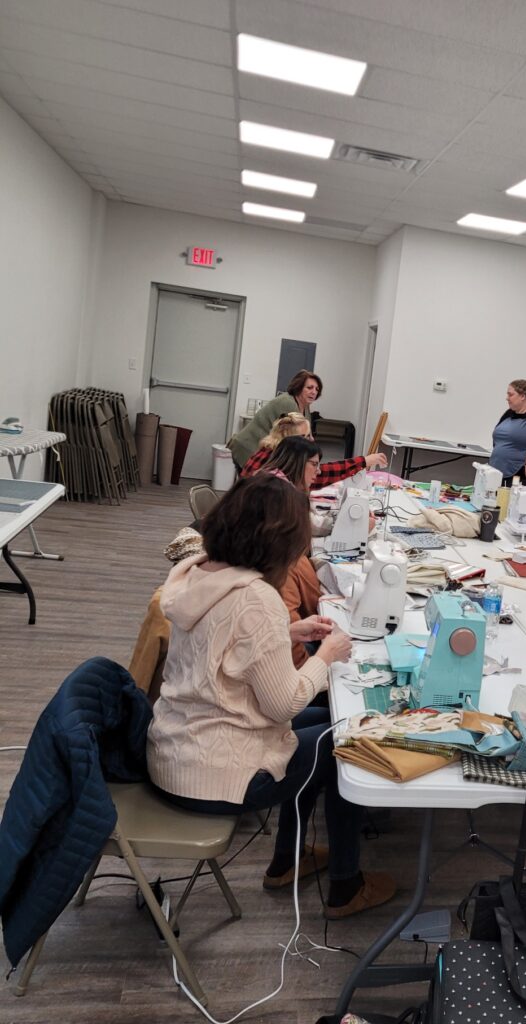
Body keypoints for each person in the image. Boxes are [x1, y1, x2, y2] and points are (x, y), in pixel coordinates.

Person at [147, 474, 396, 917]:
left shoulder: (197, 573)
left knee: (328, 723)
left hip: (174, 747)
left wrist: (285, 632)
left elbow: (221, 643)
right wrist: (328, 656)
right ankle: (346, 886)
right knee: (347, 744)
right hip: (215, 775)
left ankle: (289, 859)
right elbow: (283, 704)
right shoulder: (256, 597)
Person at [240, 411, 387, 481]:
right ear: (289, 439)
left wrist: (364, 461)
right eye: (306, 437)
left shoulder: (273, 452)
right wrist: (364, 461)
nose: (311, 440)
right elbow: (322, 474)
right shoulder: (272, 464)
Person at [226, 369, 322, 470]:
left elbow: (308, 436)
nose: (314, 392)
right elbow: (295, 441)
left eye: (317, 389)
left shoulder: (305, 406)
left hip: (259, 451)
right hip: (248, 448)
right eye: (309, 388)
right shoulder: (288, 403)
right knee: (253, 484)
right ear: (299, 387)